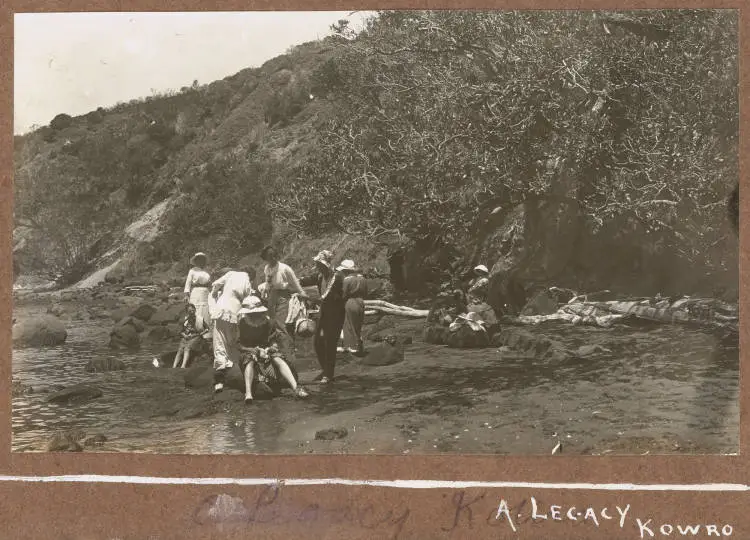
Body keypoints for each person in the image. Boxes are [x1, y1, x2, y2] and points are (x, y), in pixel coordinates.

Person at [237, 295, 309, 404]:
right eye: (251, 314)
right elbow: (239, 345)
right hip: (249, 351)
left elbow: (273, 341)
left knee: (277, 357)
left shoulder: (269, 322)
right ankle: (248, 393)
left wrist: (269, 349)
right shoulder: (242, 324)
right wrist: (253, 350)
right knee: (249, 359)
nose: (254, 316)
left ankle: (296, 388)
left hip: (266, 350)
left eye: (256, 313)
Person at [210, 266, 256, 393]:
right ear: (251, 276)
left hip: (221, 308)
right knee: (233, 341)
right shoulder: (247, 282)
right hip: (235, 310)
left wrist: (215, 294)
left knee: (219, 342)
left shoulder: (231, 273)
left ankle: (219, 379)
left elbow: (216, 284)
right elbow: (248, 301)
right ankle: (232, 370)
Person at [259, 246, 309, 335]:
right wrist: (265, 289)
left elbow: (295, 282)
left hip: (283, 297)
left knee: (281, 321)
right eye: (269, 256)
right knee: (272, 320)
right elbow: (268, 281)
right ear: (266, 258)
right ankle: (277, 341)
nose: (272, 258)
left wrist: (302, 293)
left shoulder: (285, 268)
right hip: (272, 296)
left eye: (274, 255)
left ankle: (287, 342)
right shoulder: (267, 268)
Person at [312, 259, 346, 384]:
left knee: (330, 342)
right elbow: (308, 279)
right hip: (324, 312)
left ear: (326, 265)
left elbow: (326, 296)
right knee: (317, 342)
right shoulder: (321, 276)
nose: (318, 268)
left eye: (320, 265)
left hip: (336, 313)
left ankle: (328, 374)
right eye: (317, 266)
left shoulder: (336, 276)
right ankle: (325, 369)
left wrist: (307, 298)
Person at [339, 259, 368, 354]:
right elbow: (366, 292)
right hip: (361, 301)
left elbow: (343, 294)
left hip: (350, 302)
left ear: (346, 271)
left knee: (349, 324)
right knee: (358, 324)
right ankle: (359, 345)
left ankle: (352, 347)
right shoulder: (362, 279)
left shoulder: (347, 280)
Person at [183, 252, 212, 334]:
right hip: (196, 292)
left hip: (206, 293)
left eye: (202, 259)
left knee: (206, 310)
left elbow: (210, 283)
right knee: (195, 309)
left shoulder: (206, 272)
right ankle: (194, 330)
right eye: (199, 259)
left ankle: (206, 332)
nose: (201, 261)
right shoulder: (192, 270)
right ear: (196, 261)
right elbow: (188, 283)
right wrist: (186, 294)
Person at [173, 303, 204, 368]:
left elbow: (207, 329)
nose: (192, 312)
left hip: (196, 336)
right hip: (186, 336)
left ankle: (183, 366)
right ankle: (174, 366)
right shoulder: (185, 319)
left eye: (193, 310)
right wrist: (184, 335)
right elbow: (180, 330)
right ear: (187, 312)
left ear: (195, 310)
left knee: (187, 348)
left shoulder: (199, 319)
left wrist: (198, 334)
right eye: (190, 311)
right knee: (180, 349)